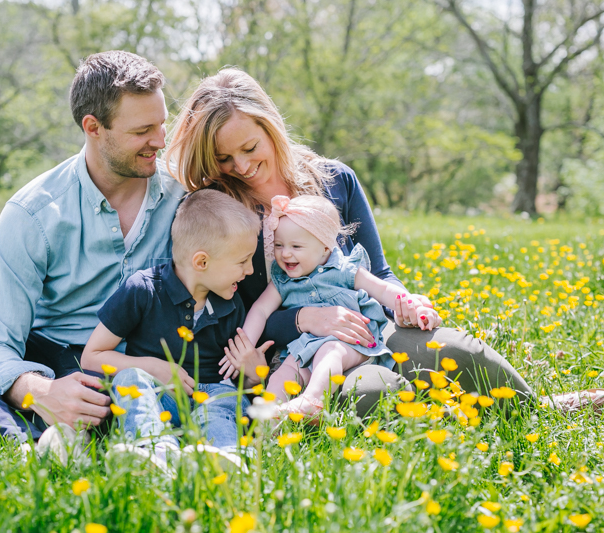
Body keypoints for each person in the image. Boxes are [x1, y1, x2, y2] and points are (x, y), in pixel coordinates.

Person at [165, 68, 534, 416]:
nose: (241, 166)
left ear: (271, 127)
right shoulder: (218, 209)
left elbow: (378, 271)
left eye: (249, 148)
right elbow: (231, 313)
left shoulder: (335, 179)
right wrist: (305, 318)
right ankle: (434, 417)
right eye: (224, 158)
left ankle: (535, 410)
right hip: (292, 355)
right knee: (371, 392)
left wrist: (404, 303)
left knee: (454, 350)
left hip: (367, 326)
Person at [0, 50, 186, 448]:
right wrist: (41, 390)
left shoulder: (185, 198)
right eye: (143, 131)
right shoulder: (36, 212)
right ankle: (20, 439)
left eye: (162, 124)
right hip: (52, 352)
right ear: (93, 127)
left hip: (141, 365)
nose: (161, 141)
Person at [81, 189, 272, 466]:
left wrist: (254, 377)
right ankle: (153, 450)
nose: (250, 271)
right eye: (242, 262)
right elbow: (92, 356)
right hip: (160, 400)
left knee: (224, 402)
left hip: (211, 398)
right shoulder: (143, 290)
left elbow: (236, 379)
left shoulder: (232, 304)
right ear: (202, 262)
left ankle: (224, 457)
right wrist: (155, 368)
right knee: (129, 379)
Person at [227, 194, 441, 415]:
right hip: (305, 348)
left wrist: (412, 305)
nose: (285, 253)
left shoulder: (345, 270)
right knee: (284, 372)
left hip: (350, 343)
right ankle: (269, 418)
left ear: (325, 248)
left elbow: (383, 289)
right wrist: (246, 346)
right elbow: (260, 310)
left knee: (330, 351)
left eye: (296, 246)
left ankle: (313, 402)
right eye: (279, 245)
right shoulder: (282, 280)